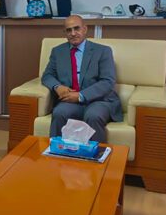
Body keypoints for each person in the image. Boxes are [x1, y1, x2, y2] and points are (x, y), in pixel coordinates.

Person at [41, 15, 123, 143]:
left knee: (93, 115)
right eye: (69, 30)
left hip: (99, 100)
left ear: (85, 29)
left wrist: (80, 96)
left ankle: (95, 154)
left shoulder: (103, 51)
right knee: (59, 112)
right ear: (65, 32)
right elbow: (47, 75)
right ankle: (57, 151)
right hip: (70, 101)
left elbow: (107, 81)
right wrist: (57, 87)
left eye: (77, 28)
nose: (73, 33)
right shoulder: (58, 51)